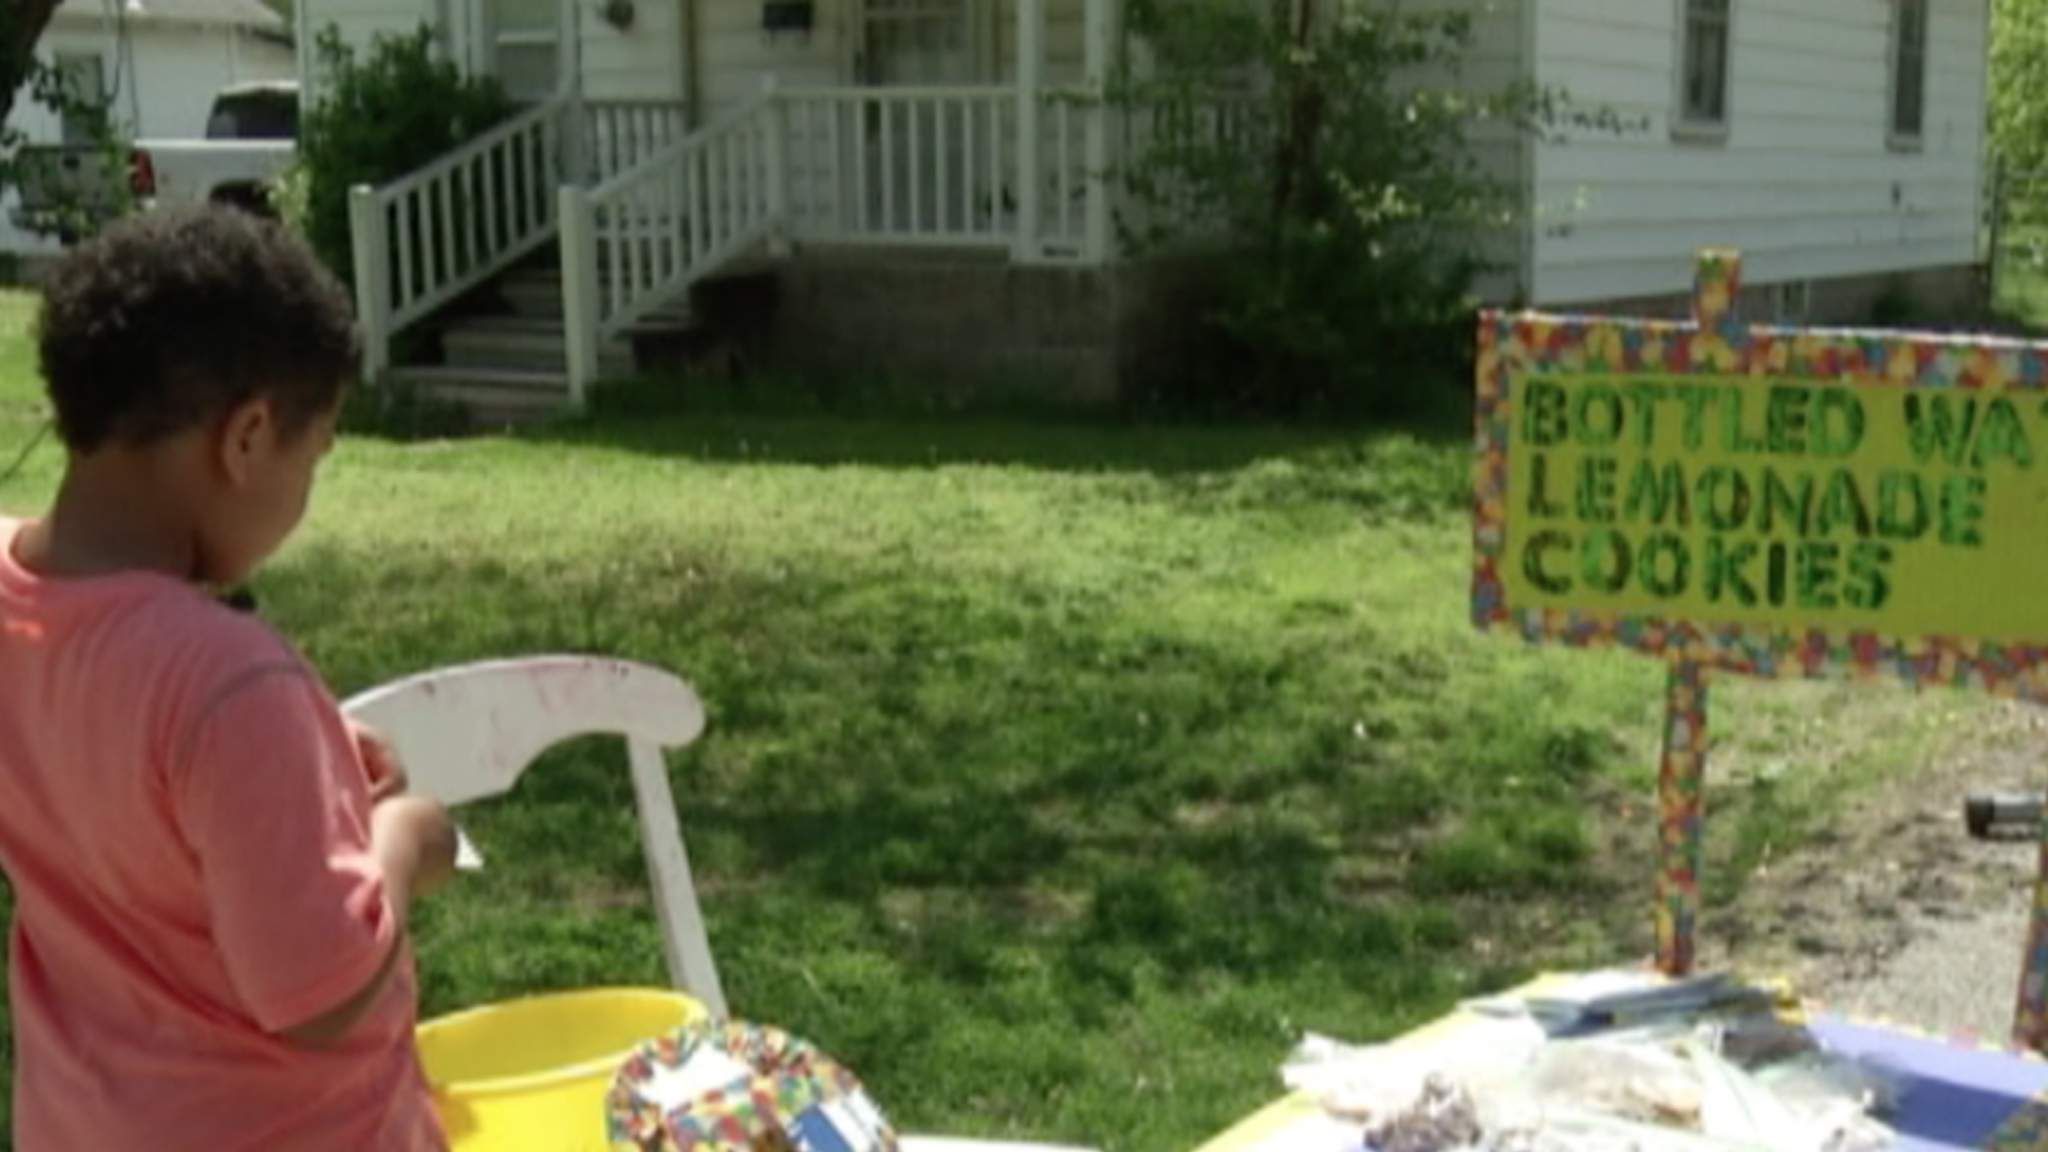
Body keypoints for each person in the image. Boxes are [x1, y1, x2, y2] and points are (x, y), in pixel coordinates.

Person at [0, 207, 458, 1149]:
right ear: (246, 437)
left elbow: (108, 760)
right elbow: (320, 993)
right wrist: (405, 840)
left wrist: (306, 756)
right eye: (314, 453)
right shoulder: (230, 681)